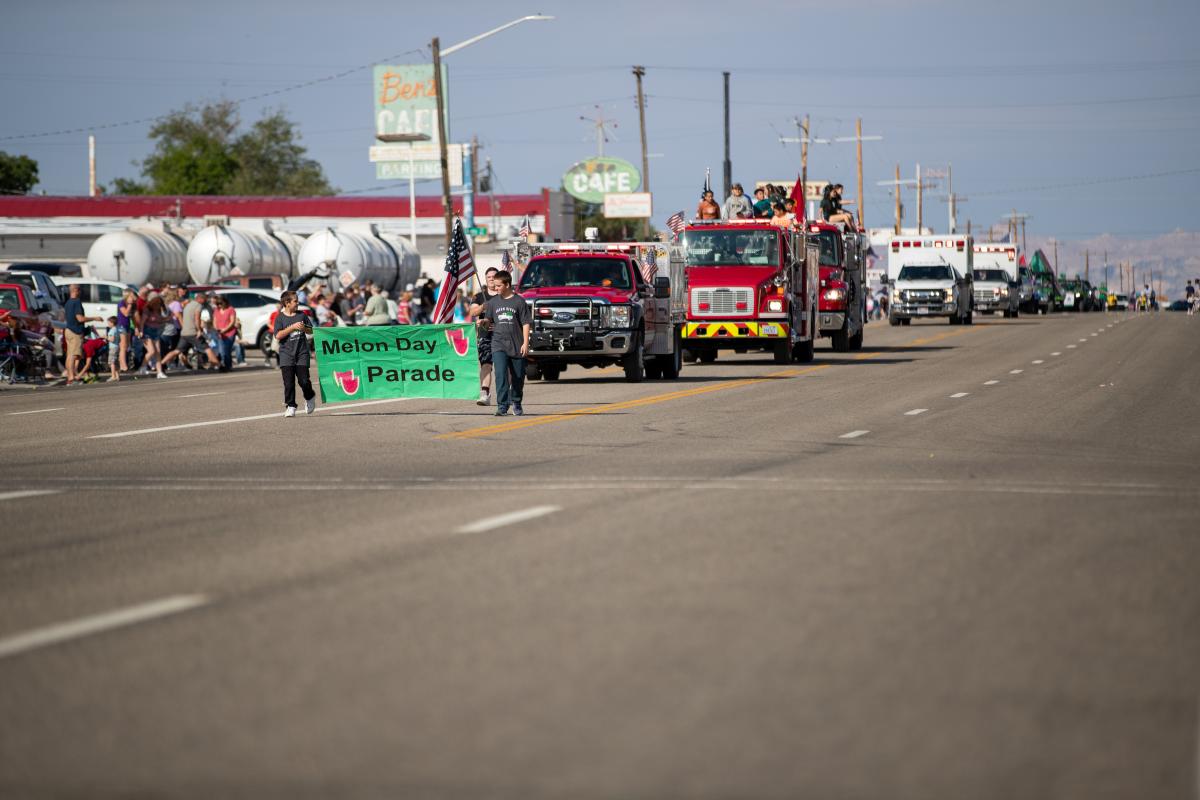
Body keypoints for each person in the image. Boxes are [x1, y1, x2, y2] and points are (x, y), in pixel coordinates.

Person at [483, 270, 531, 416]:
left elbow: (526, 323)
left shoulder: (519, 301)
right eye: (494, 285)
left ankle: (516, 401)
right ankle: (502, 406)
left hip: (517, 344)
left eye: (498, 286)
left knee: (518, 377)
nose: (495, 288)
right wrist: (483, 322)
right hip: (498, 344)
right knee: (500, 374)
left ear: (507, 284)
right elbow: (488, 323)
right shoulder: (492, 303)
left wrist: (525, 343)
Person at [273, 291, 316, 418]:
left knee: (303, 381)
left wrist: (304, 329)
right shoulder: (279, 318)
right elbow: (278, 335)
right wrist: (292, 328)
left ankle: (309, 397)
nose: (298, 303)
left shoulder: (301, 315)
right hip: (286, 355)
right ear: (287, 303)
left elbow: (311, 330)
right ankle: (290, 406)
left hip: (302, 353)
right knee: (289, 383)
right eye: (295, 301)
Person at [469, 267, 500, 406]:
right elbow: (472, 312)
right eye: (489, 277)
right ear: (486, 279)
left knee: (504, 366)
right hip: (485, 335)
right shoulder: (479, 296)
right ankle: (484, 393)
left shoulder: (504, 295)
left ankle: (508, 393)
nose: (492, 279)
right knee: (486, 364)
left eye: (494, 276)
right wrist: (483, 307)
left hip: (503, 335)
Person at [62, 283, 99, 386]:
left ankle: (70, 377)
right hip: (75, 332)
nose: (81, 292)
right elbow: (80, 318)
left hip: (68, 330)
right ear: (76, 290)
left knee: (69, 355)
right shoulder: (77, 302)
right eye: (80, 290)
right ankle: (72, 378)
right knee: (74, 356)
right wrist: (95, 318)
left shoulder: (68, 302)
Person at [178, 291, 219, 371]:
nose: (208, 299)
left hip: (206, 329)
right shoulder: (197, 306)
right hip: (197, 329)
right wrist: (199, 329)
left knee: (205, 348)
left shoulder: (208, 307)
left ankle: (206, 364)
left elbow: (210, 318)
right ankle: (212, 364)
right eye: (207, 298)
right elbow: (196, 319)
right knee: (203, 348)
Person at [140, 294, 169, 379]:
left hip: (156, 331)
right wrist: (141, 331)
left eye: (160, 305)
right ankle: (143, 367)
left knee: (158, 352)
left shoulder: (158, 310)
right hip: (147, 331)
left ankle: (159, 372)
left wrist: (167, 319)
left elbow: (159, 320)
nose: (158, 306)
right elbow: (142, 322)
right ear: (154, 303)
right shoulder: (147, 309)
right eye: (157, 305)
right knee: (152, 351)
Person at [211, 295, 238, 372]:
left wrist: (225, 330)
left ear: (225, 303)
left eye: (221, 304)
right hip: (220, 334)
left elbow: (232, 322)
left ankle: (228, 366)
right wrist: (216, 328)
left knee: (226, 350)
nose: (219, 306)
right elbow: (214, 321)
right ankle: (225, 365)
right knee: (221, 351)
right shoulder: (216, 310)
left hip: (230, 333)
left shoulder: (231, 309)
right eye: (218, 304)